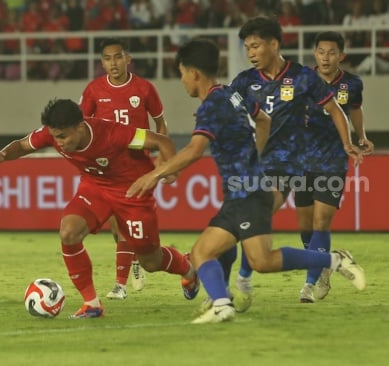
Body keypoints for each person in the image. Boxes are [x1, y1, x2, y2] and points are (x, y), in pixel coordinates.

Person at [126, 38, 366, 324]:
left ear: (194, 74)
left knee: (228, 256)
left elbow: (194, 150)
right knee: (231, 256)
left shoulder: (211, 105)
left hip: (247, 193)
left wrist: (154, 174)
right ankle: (227, 302)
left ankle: (227, 301)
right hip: (248, 190)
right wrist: (257, 155)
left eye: (181, 74)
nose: (182, 81)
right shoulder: (232, 94)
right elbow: (263, 119)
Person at [0, 98, 199, 319]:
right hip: (96, 188)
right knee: (69, 232)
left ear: (80, 126)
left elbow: (161, 141)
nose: (59, 143)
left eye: (63, 137)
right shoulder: (53, 134)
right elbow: (23, 145)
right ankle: (92, 304)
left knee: (150, 262)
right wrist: (3, 155)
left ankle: (189, 268)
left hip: (132, 193)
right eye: (55, 136)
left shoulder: (113, 133)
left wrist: (168, 170)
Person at [204, 16, 364, 313]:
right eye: (247, 47)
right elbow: (228, 110)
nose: (250, 53)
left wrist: (346, 143)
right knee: (238, 225)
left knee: (245, 221)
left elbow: (334, 108)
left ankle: (231, 288)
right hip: (253, 166)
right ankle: (237, 283)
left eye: (255, 46)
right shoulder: (244, 81)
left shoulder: (303, 77)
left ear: (274, 44)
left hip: (287, 166)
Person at [79, 37, 171, 299]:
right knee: (116, 226)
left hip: (137, 166)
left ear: (128, 59)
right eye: (107, 59)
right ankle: (132, 264)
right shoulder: (94, 90)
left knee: (128, 225)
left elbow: (160, 124)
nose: (113, 63)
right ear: (102, 63)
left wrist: (162, 158)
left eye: (118, 57)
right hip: (106, 167)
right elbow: (82, 126)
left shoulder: (144, 89)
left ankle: (120, 285)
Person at [295, 31, 374, 303]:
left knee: (321, 222)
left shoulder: (352, 83)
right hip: (302, 161)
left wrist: (361, 136)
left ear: (341, 55)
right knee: (305, 227)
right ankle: (327, 262)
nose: (325, 57)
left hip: (333, 161)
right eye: (321, 51)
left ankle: (309, 283)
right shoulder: (302, 79)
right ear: (314, 53)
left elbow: (355, 111)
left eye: (331, 52)